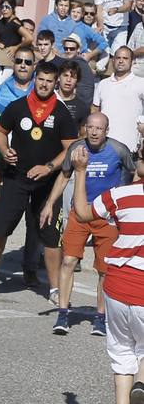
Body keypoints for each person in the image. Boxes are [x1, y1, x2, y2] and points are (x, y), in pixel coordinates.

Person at [0, 60, 78, 297]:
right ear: (35, 79)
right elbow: (0, 131)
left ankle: (55, 288)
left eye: (50, 81)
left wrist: (48, 167)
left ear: (55, 82)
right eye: (41, 79)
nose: (45, 84)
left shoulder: (61, 113)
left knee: (50, 237)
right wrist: (3, 148)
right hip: (15, 178)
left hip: (47, 185)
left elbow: (69, 149)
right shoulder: (18, 107)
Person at [45, 111, 131, 336]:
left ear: (106, 131)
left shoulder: (119, 150)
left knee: (104, 269)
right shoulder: (76, 149)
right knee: (69, 260)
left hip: (107, 215)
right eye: (90, 127)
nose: (93, 132)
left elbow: (133, 175)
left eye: (99, 128)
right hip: (80, 212)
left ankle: (100, 318)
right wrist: (49, 204)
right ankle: (63, 313)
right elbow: (63, 176)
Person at [92, 45, 144, 156]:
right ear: (113, 60)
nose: (121, 61)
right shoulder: (103, 84)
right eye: (118, 58)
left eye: (125, 58)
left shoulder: (141, 83)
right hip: (103, 148)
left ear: (132, 62)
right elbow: (94, 110)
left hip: (130, 148)